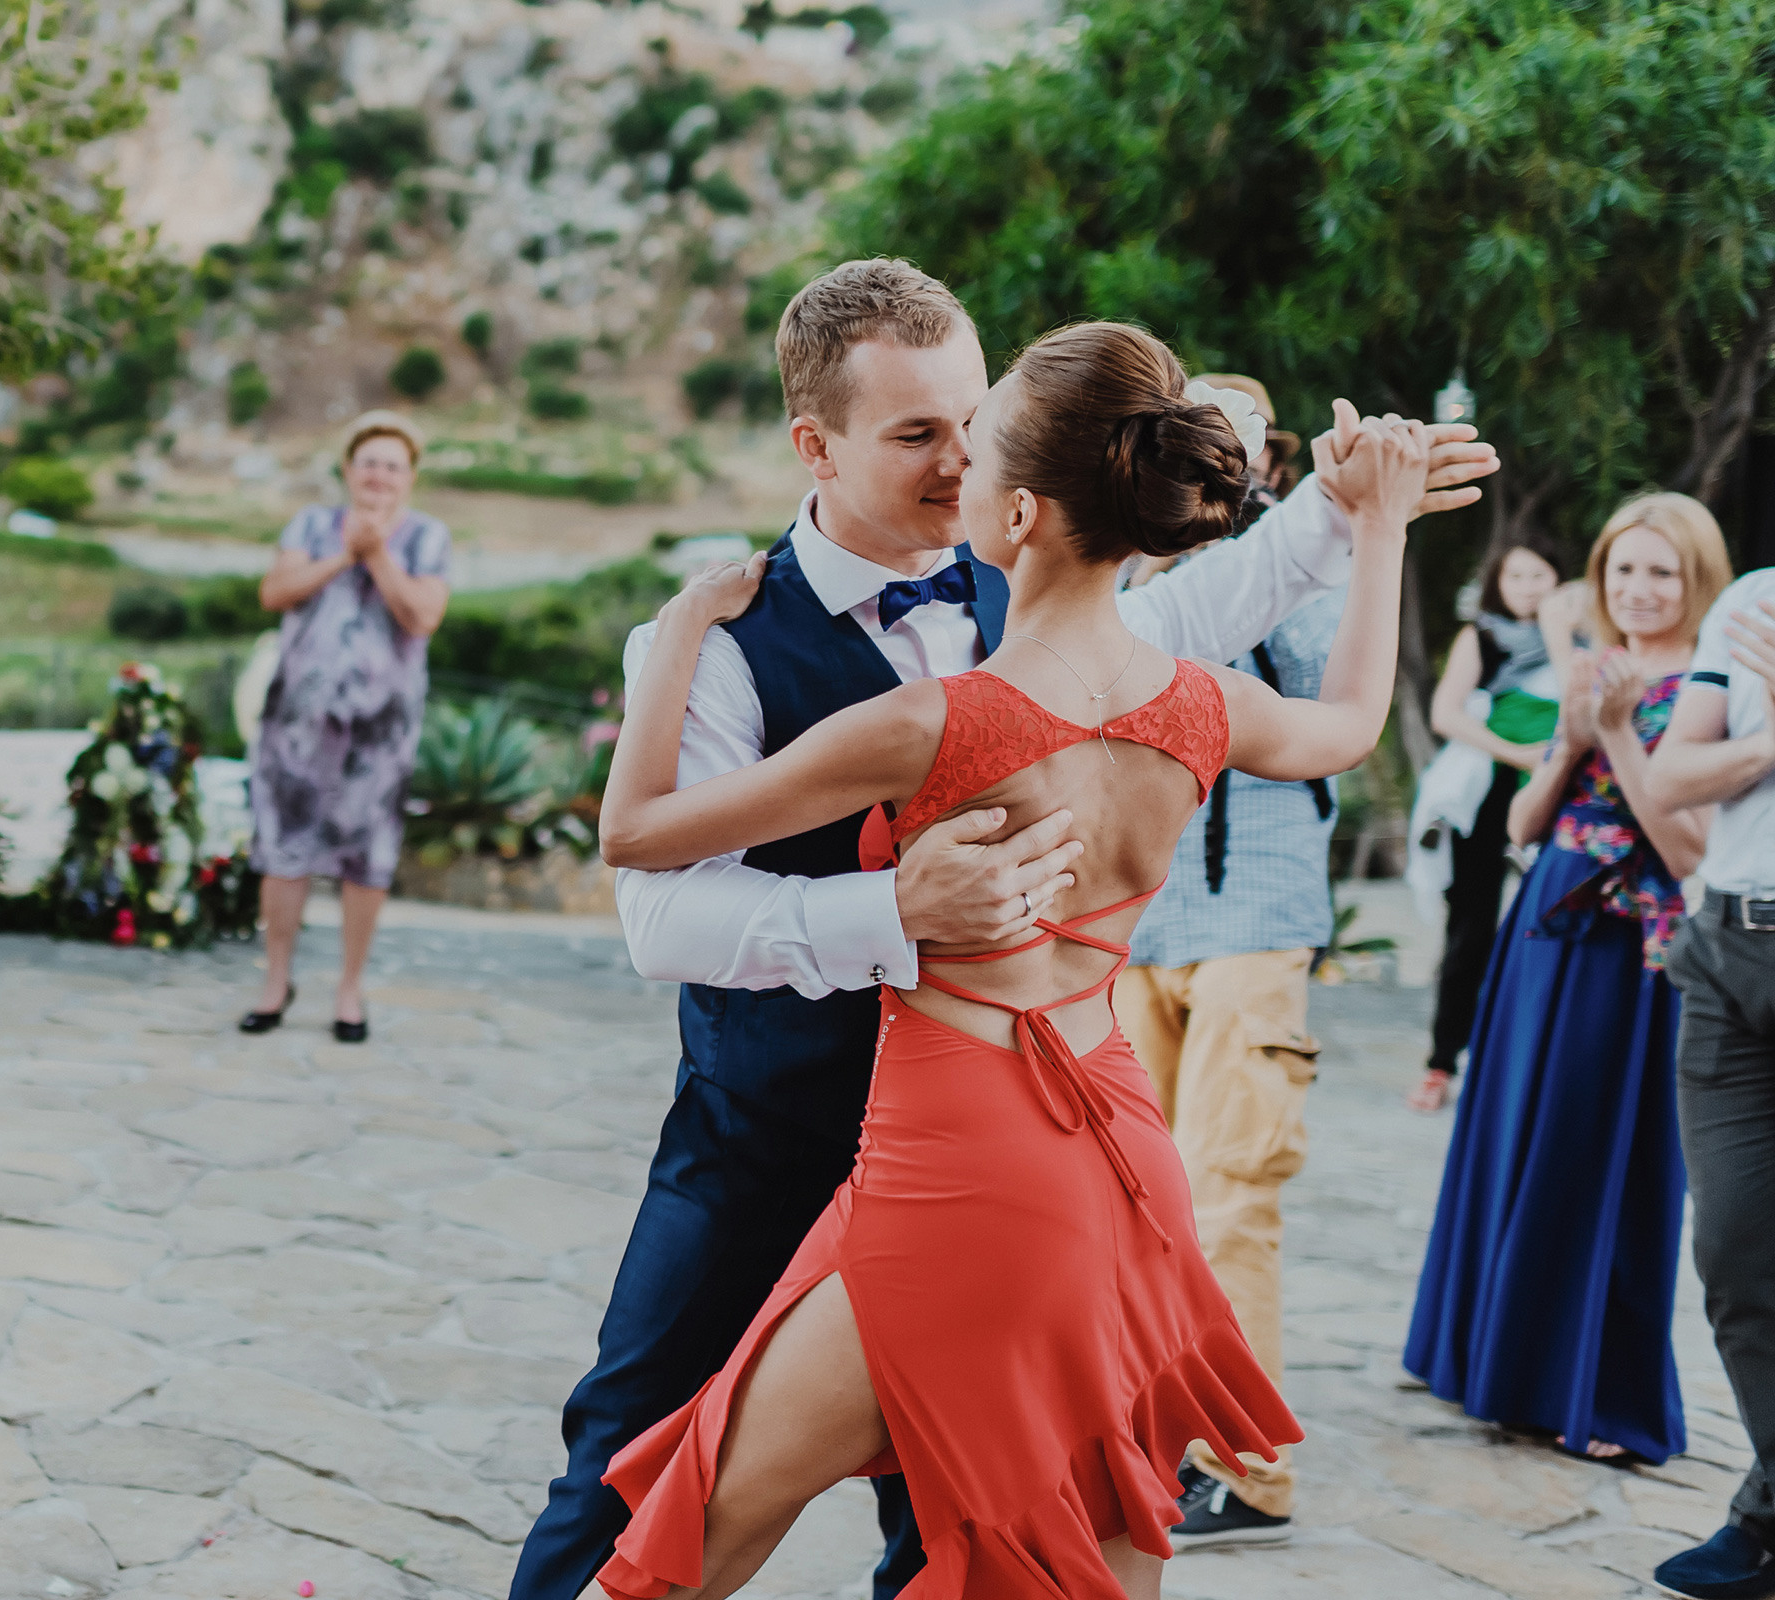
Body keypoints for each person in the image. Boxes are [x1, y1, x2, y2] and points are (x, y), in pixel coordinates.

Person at [509, 259, 1496, 1600]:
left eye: (972, 427)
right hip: (793, 1136)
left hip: (964, 1161)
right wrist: (887, 908)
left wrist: (1335, 509)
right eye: (917, 433)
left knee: (882, 1522)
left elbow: (631, 829)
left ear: (1023, 502)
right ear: (818, 444)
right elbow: (659, 915)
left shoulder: (958, 694)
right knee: (638, 1458)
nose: (955, 455)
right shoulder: (760, 644)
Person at [1404, 492, 1730, 1466]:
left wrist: (1623, 733)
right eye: (1623, 569)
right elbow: (1521, 823)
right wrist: (1580, 734)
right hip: (1542, 926)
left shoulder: (1714, 685)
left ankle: (1592, 1390)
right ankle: (1487, 1363)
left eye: (1660, 572)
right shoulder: (1588, 665)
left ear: (1696, 580)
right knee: (1508, 1139)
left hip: (1637, 950)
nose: (1638, 589)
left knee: (1598, 1161)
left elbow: (1686, 848)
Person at [1110, 375, 1346, 1552]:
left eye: (1244, 435)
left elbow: (1312, 682)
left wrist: (1250, 531)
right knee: (1140, 1204)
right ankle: (1159, 1432)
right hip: (1144, 921)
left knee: (1231, 1193)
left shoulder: (1307, 557)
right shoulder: (1132, 564)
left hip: (1254, 911)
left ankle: (1250, 1469)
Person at [1644, 568, 1775, 1600]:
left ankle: (1762, 1514)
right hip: (1726, 954)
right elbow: (1673, 775)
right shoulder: (1756, 600)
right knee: (1733, 1252)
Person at [241, 412, 450, 1042]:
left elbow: (422, 616)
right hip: (296, 721)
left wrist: (378, 553)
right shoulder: (309, 525)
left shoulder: (427, 538)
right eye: (369, 462)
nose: (379, 475)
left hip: (381, 730)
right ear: (347, 470)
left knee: (367, 856)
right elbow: (275, 593)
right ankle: (275, 981)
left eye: (392, 465)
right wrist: (343, 554)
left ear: (409, 477)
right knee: (283, 849)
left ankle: (349, 991)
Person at [1405, 537, 1566, 1113]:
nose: (1527, 587)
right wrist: (1517, 755)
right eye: (1515, 577)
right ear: (1497, 585)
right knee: (1471, 928)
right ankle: (1441, 1061)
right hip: (1493, 791)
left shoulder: (1578, 643)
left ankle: (1524, 1066)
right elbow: (1445, 714)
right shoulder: (1485, 638)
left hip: (1561, 791)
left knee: (1548, 926)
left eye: (1539, 575)